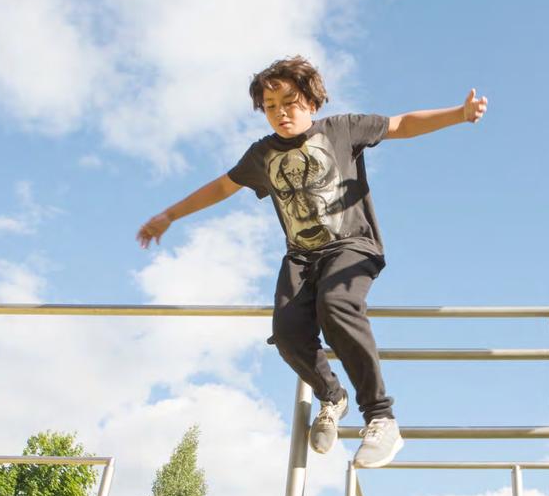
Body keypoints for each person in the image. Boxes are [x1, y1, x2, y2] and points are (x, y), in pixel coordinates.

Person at [137, 56, 488, 468]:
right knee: (287, 334)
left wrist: (458, 114)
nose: (281, 113)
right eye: (270, 106)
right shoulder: (261, 155)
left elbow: (401, 124)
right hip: (300, 258)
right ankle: (331, 396)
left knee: (336, 306)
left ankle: (381, 417)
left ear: (312, 102)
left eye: (290, 102)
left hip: (352, 246)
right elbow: (221, 187)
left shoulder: (341, 129)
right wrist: (170, 215)